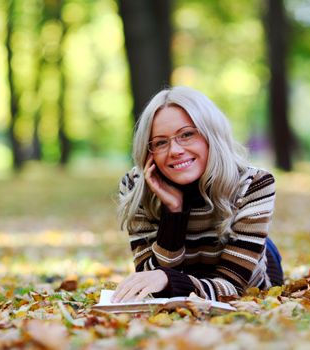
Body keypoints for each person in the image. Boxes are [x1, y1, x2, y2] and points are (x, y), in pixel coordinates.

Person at [112, 86, 283, 303]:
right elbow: (152, 283)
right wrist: (173, 213)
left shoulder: (254, 183)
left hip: (253, 267)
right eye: (161, 142)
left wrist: (168, 279)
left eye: (187, 134)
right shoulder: (136, 186)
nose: (175, 150)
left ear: (210, 135)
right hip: (194, 274)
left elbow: (233, 288)